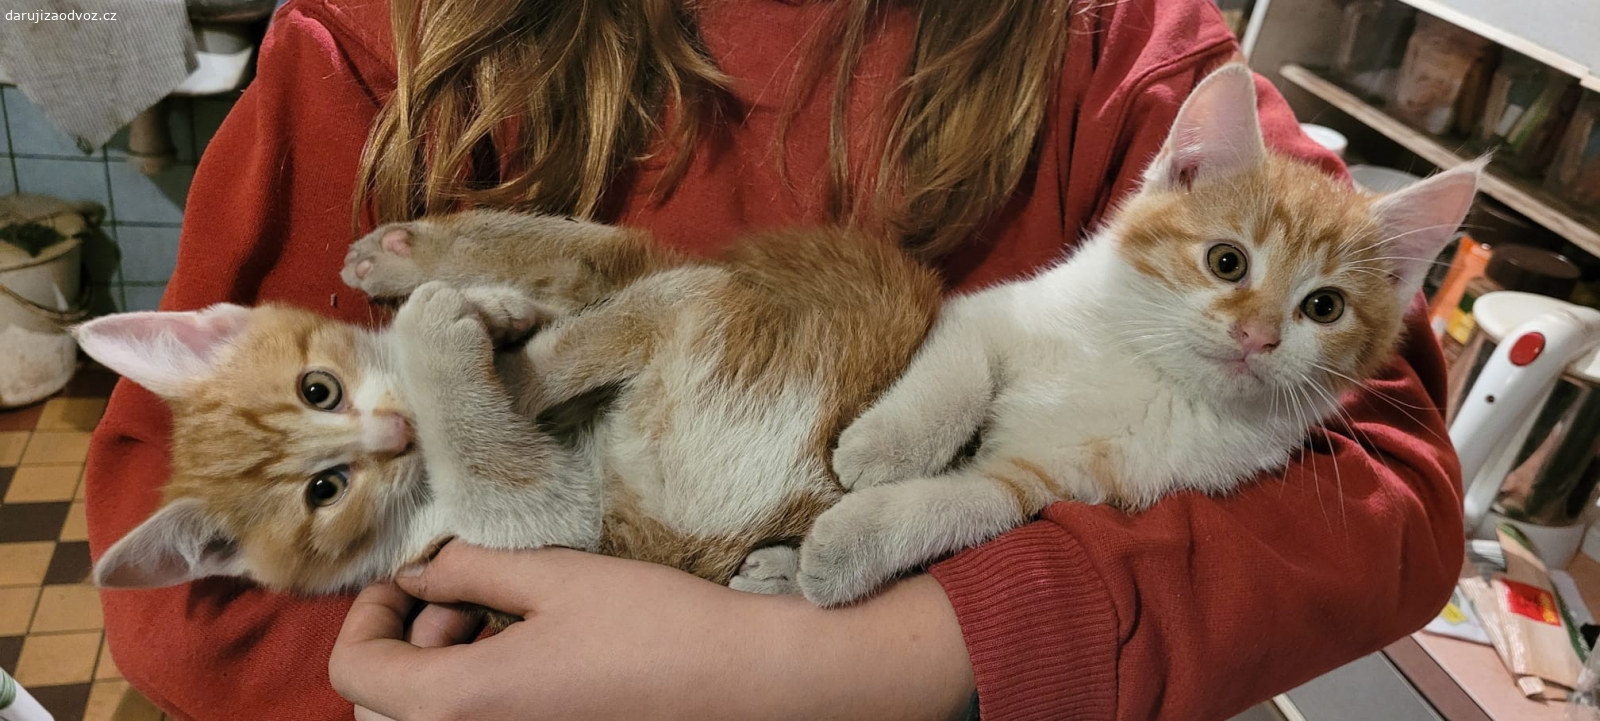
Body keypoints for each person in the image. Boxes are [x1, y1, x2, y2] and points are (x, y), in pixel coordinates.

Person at [83, 0, 1465, 718]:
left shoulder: (1124, 53)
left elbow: (1388, 491)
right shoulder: (383, 40)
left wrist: (864, 666)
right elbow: (182, 587)